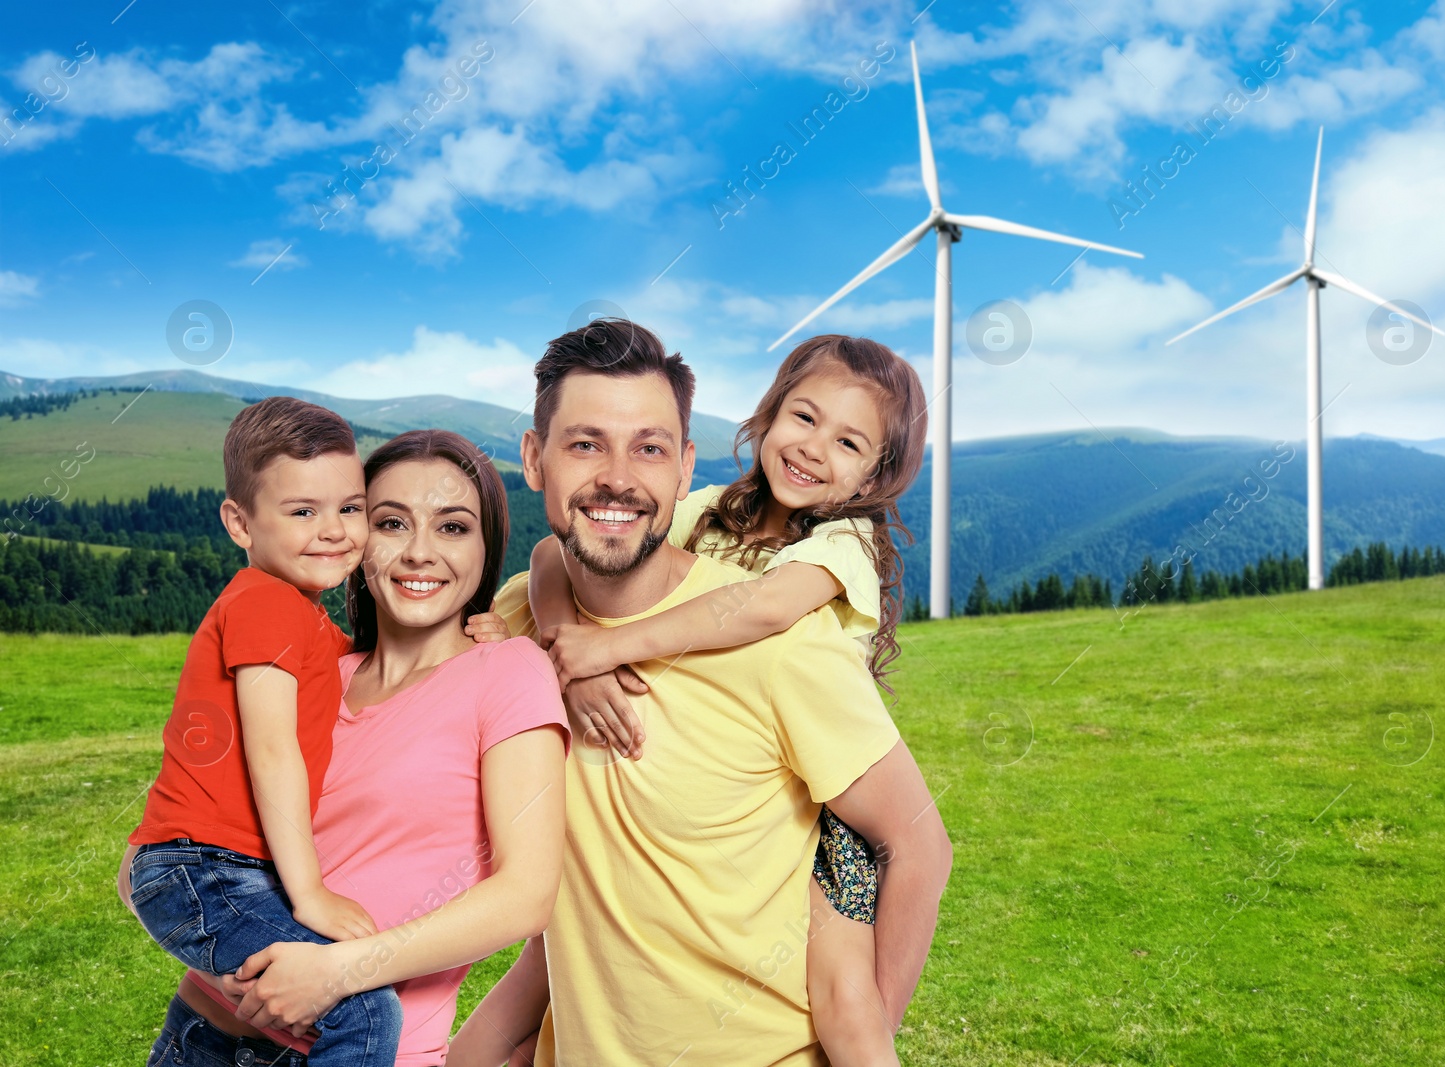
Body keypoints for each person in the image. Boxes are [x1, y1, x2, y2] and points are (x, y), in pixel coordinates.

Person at [452, 319, 952, 1067]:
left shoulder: (826, 572)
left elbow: (760, 609)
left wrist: (607, 648)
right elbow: (566, 548)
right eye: (804, 418)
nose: (815, 448)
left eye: (850, 443)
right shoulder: (701, 514)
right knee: (542, 963)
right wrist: (568, 653)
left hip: (832, 815)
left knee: (848, 999)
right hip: (594, 979)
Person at [118, 429, 569, 1067]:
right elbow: (152, 855)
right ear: (358, 537)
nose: (418, 553)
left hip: (364, 1048)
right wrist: (257, 983)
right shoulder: (307, 672)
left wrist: (337, 973)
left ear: (488, 543)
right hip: (203, 1036)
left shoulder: (508, 671)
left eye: (452, 528)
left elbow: (525, 896)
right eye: (390, 522)